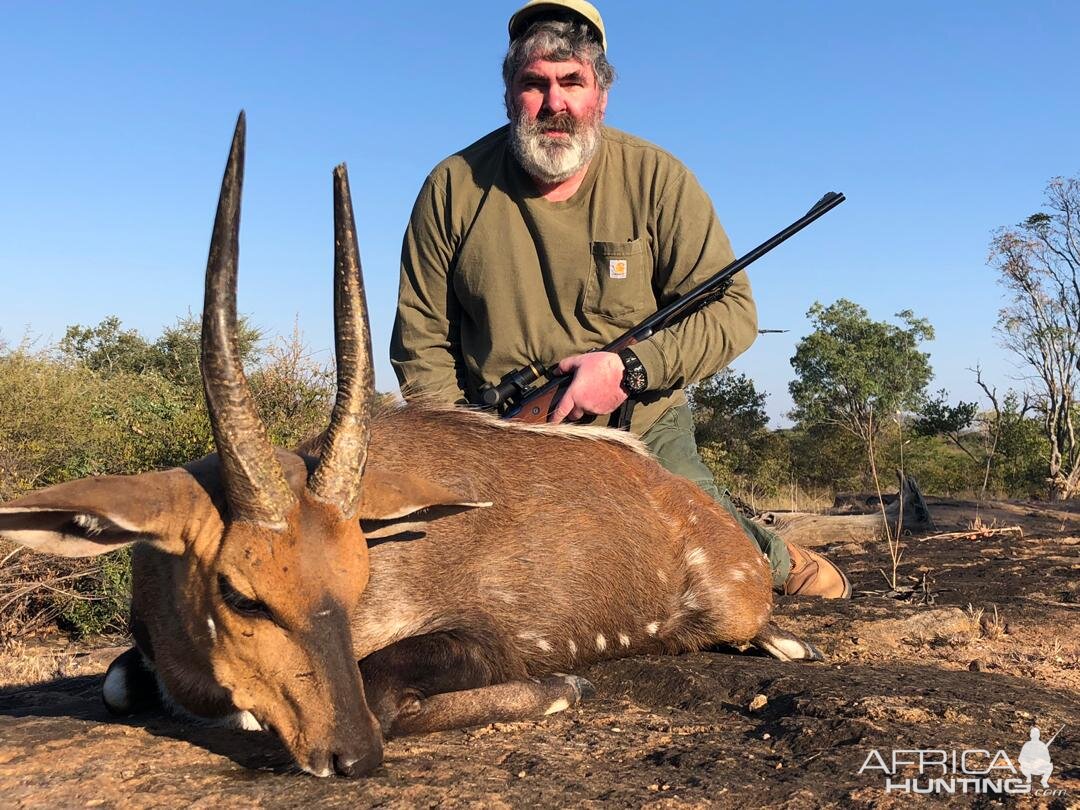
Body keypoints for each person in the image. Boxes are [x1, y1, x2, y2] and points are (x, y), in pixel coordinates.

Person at [391, 0, 850, 598]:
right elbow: (420, 338)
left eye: (572, 82)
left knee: (720, 575)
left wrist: (629, 369)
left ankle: (778, 559)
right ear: (509, 95)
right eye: (535, 84)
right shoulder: (452, 186)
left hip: (641, 427)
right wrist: (462, 447)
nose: (555, 103)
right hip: (501, 439)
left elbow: (733, 314)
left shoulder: (659, 178)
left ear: (600, 94)